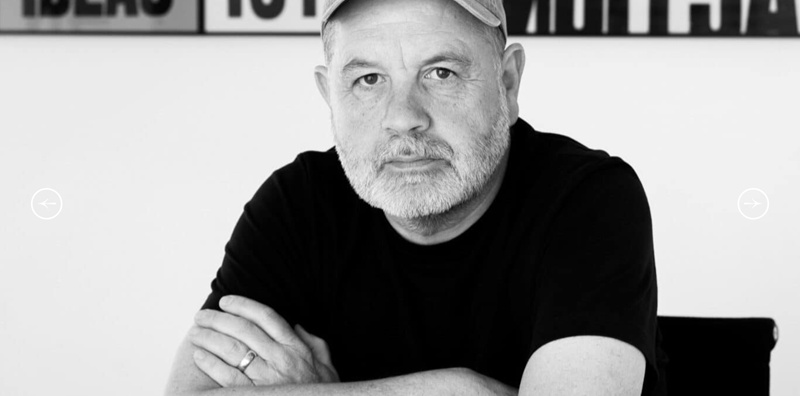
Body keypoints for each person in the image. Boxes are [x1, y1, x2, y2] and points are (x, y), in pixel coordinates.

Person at [164, 0, 666, 394]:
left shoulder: (588, 198)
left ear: (507, 82)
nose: (403, 117)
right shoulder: (299, 203)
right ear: (328, 95)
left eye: (440, 73)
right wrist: (462, 390)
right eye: (368, 80)